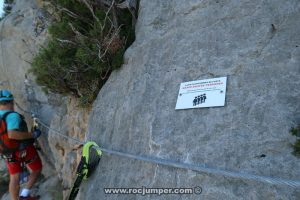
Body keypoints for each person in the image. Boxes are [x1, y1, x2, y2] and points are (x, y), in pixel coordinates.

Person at [0, 90, 42, 200]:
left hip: (7, 153)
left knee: (14, 177)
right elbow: (12, 134)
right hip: (24, 150)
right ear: (11, 101)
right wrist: (32, 134)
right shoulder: (12, 116)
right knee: (37, 169)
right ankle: (24, 195)